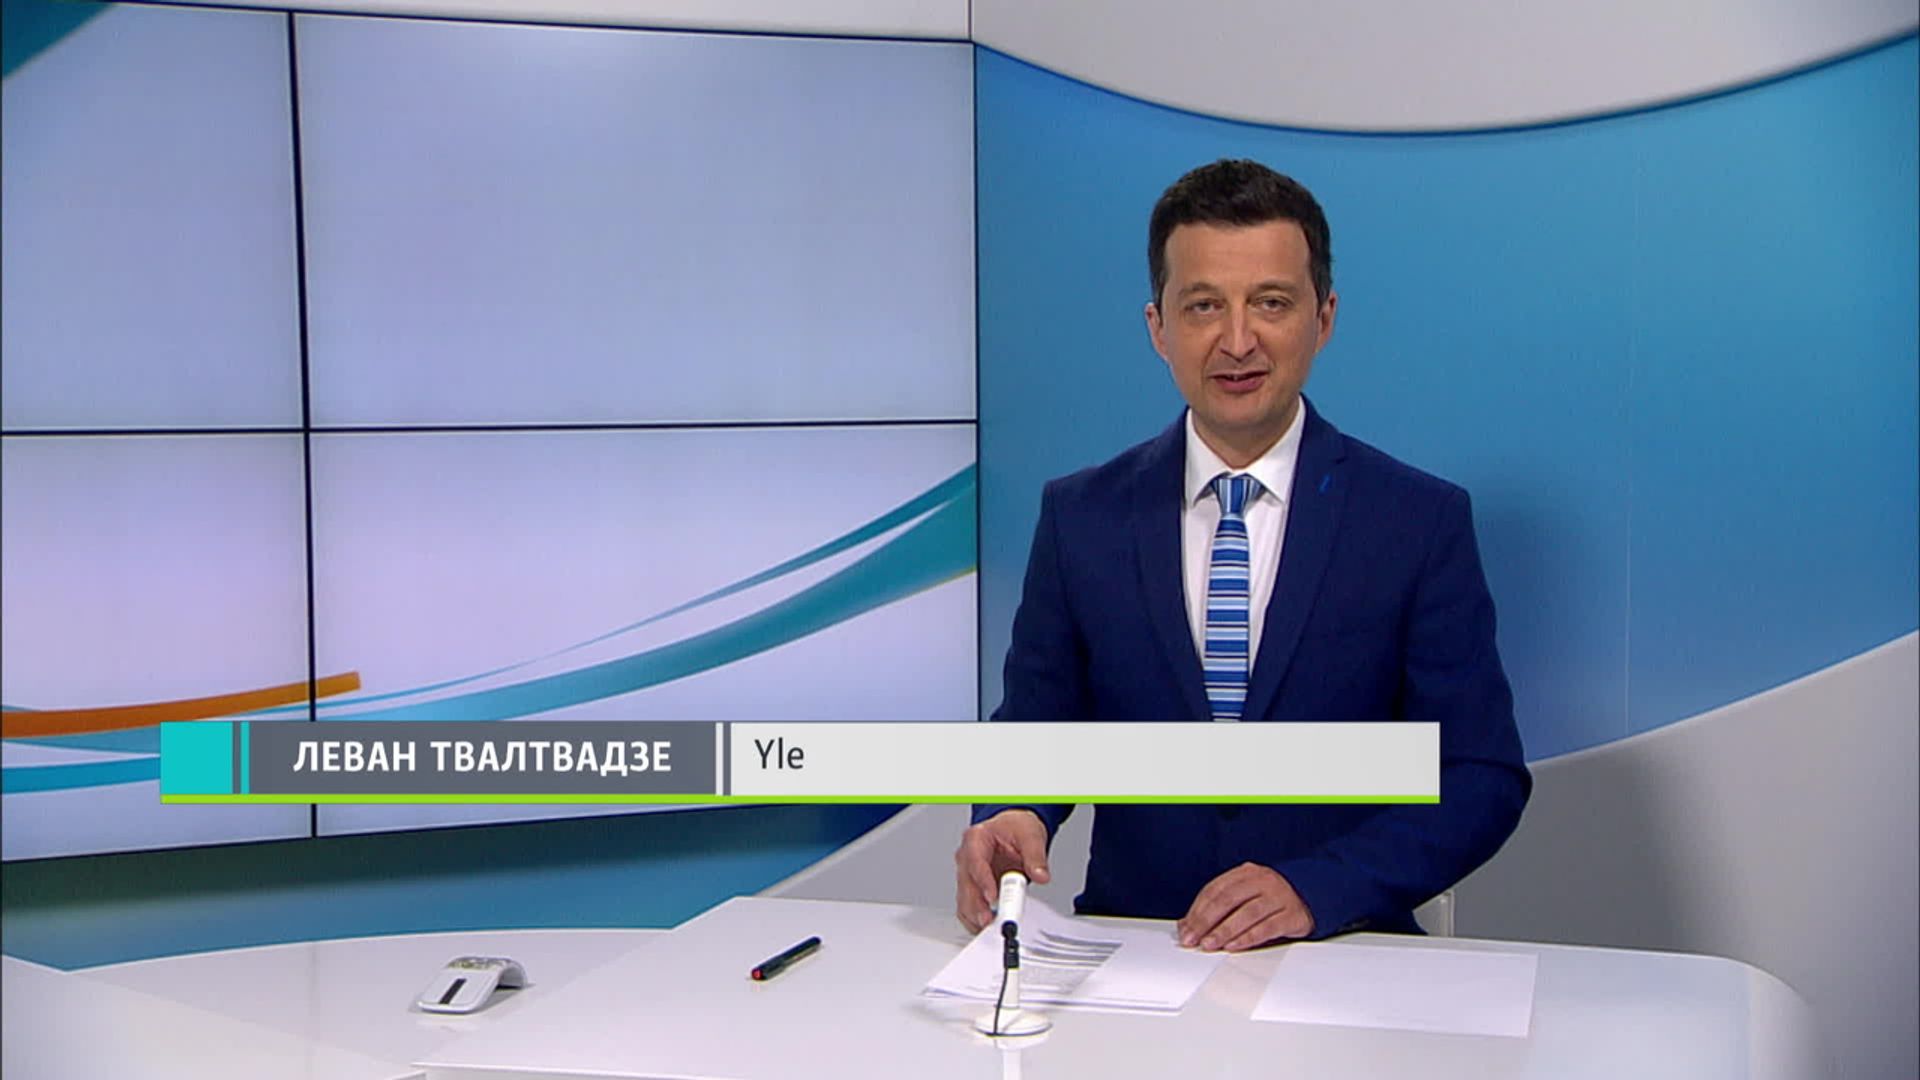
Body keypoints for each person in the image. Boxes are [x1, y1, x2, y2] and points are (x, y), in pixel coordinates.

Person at [955, 159, 1530, 951]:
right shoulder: (1081, 518)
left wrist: (1318, 888)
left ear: (1323, 318)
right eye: (1203, 306)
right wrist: (1013, 811)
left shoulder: (1416, 522)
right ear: (1158, 328)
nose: (1236, 340)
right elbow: (1037, 727)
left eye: (1271, 303)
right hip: (1138, 957)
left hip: (1342, 957)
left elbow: (1478, 775)